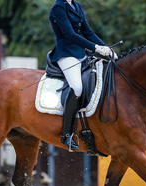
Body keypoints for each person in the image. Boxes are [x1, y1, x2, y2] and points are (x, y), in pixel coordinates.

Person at [49, 0, 117, 151]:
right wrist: (95, 48)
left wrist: (106, 48)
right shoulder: (58, 8)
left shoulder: (76, 5)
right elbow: (70, 35)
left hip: (81, 53)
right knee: (77, 87)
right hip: (66, 53)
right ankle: (66, 134)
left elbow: (88, 32)